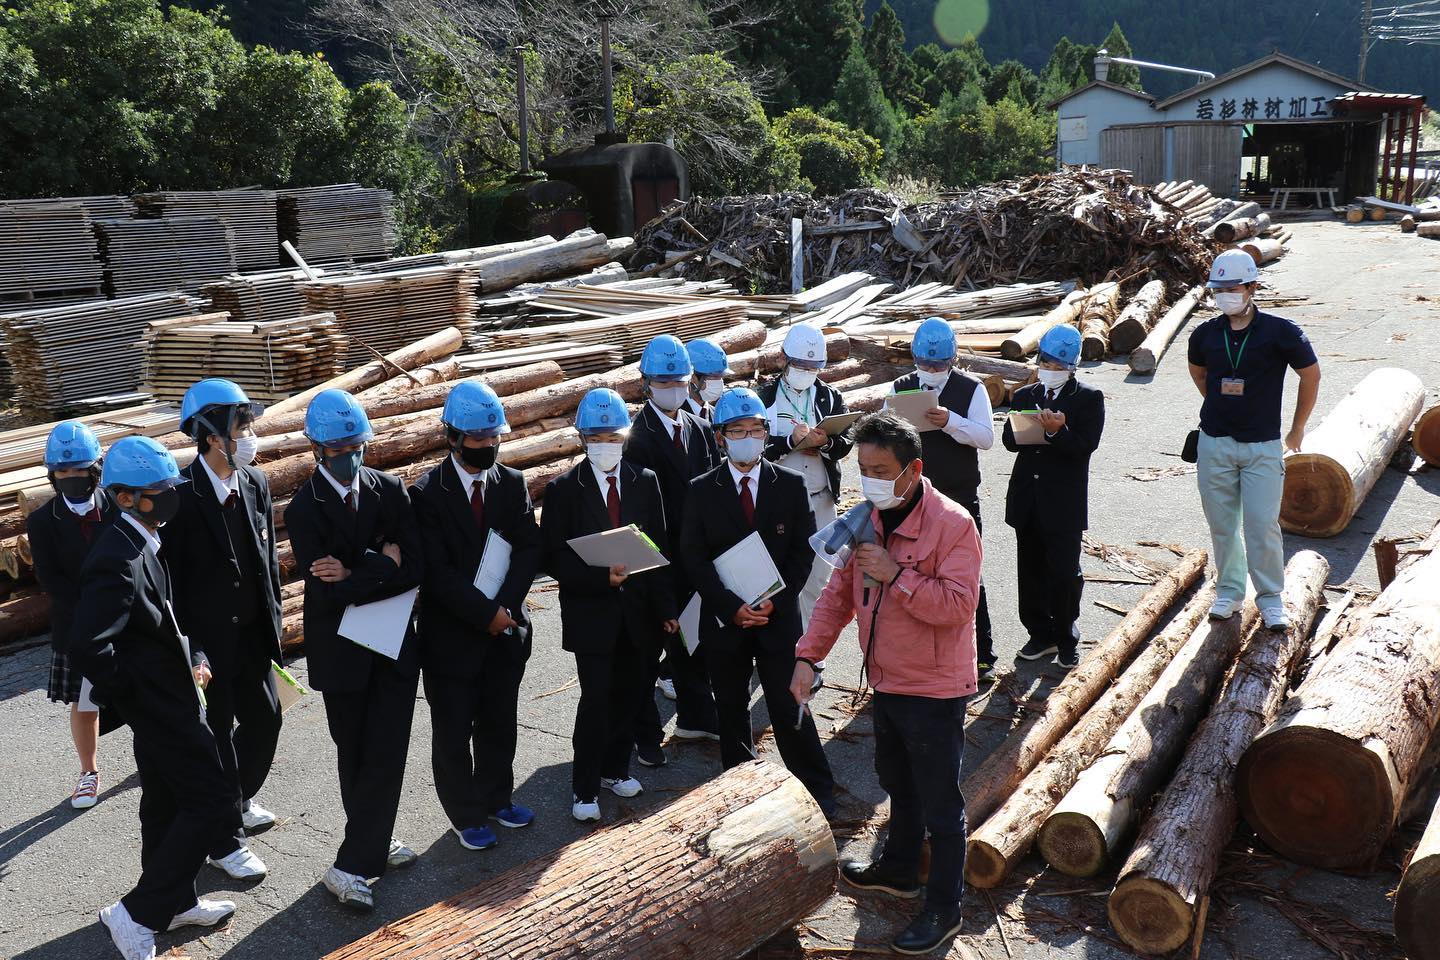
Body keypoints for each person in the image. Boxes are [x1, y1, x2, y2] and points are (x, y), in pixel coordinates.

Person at [791, 411, 982, 956]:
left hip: (935, 687)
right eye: (862, 469)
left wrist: (898, 576)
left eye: (880, 470)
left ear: (912, 469)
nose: (869, 480)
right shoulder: (866, 517)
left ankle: (945, 906)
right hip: (887, 678)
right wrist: (808, 657)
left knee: (941, 804)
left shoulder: (952, 524)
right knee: (897, 780)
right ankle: (898, 869)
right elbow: (837, 597)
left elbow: (958, 607)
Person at [69, 436, 236, 960]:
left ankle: (175, 902)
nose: (169, 496)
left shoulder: (143, 538)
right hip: (162, 709)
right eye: (157, 490)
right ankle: (138, 913)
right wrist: (142, 698)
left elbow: (159, 623)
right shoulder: (116, 556)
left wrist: (192, 659)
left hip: (173, 697)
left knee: (165, 805)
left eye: (170, 486)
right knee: (211, 800)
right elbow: (88, 645)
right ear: (124, 497)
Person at [283, 389, 424, 911]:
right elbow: (330, 589)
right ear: (317, 450)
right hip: (341, 651)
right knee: (357, 753)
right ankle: (371, 839)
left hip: (391, 643)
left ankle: (354, 862)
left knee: (387, 750)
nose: (351, 455)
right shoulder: (304, 508)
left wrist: (361, 569)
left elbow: (417, 563)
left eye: (357, 445)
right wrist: (382, 565)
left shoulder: (389, 489)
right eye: (339, 447)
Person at [681, 387, 837, 817]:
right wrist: (729, 606)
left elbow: (803, 551)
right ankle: (739, 791)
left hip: (777, 617)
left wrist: (776, 600)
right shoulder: (700, 490)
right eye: (737, 430)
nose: (747, 437)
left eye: (755, 429)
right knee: (730, 709)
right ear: (720, 438)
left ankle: (817, 789)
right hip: (725, 620)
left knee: (790, 705)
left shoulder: (789, 483)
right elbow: (693, 557)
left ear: (766, 434)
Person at [411, 382, 541, 851]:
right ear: (452, 437)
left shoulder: (512, 484)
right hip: (453, 635)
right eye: (478, 439)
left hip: (505, 629)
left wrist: (505, 608)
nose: (488, 446)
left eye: (493, 438)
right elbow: (437, 573)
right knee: (453, 727)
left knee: (499, 720)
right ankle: (465, 814)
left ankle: (497, 797)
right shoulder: (427, 493)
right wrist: (483, 613)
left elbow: (528, 547)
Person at [163, 379, 281, 883]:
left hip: (253, 635)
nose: (250, 435)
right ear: (213, 435)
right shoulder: (180, 497)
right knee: (217, 739)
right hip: (209, 645)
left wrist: (274, 623)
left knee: (268, 720)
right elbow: (171, 583)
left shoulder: (254, 482)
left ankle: (238, 797)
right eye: (242, 426)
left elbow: (267, 558)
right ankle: (224, 841)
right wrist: (192, 651)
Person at [541, 388, 678, 823]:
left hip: (640, 613)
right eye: (596, 436)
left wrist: (667, 607)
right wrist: (602, 577)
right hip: (592, 614)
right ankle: (584, 786)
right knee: (596, 699)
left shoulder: (646, 480)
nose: (606, 444)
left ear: (626, 437)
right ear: (582, 438)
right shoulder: (564, 489)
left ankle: (615, 768)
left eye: (613, 436)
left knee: (632, 694)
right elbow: (554, 557)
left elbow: (657, 546)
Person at [1188, 248, 1320, 630]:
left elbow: (1310, 375)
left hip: (1262, 446)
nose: (1225, 294)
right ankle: (1229, 590)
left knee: (1262, 524)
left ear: (1252, 287)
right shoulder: (1205, 335)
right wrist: (1222, 404)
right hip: (1215, 442)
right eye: (1219, 288)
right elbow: (1199, 375)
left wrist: (1297, 428)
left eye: (1233, 287)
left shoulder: (1281, 332)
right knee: (1222, 523)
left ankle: (1270, 597)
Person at [624, 334, 721, 758]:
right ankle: (642, 739)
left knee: (694, 643)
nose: (674, 390)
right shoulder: (637, 437)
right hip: (658, 559)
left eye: (680, 382)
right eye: (665, 383)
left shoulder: (698, 428)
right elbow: (637, 510)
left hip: (696, 554)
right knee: (646, 656)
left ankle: (697, 718)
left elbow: (712, 487)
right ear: (646, 384)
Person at [890, 317, 997, 679]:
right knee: (914, 574)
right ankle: (920, 657)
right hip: (914, 499)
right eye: (925, 364)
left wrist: (950, 421)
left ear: (952, 360)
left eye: (938, 365)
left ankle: (982, 655)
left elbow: (985, 437)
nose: (931, 370)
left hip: (959, 495)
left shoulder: (971, 389)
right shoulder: (902, 387)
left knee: (965, 578)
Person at [1001, 325, 1104, 670]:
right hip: (1027, 497)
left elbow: (1084, 447)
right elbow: (1010, 442)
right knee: (1029, 570)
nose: (1051, 369)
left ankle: (1065, 636)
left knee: (1063, 572)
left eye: (1059, 365)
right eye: (1046, 361)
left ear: (1072, 367)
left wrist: (1057, 432)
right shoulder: (1024, 395)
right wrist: (1025, 427)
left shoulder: (1089, 398)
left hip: (1063, 501)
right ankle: (1038, 634)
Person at [29, 421, 118, 810]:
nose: (71, 477)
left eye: (79, 469)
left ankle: (157, 756)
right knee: (84, 703)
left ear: (96, 468)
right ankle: (88, 771)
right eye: (62, 471)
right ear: (52, 475)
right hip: (78, 624)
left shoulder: (119, 504)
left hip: (128, 614)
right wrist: (91, 615)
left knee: (149, 689)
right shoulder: (42, 521)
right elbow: (51, 579)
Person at [757, 324, 854, 633]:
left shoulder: (829, 396)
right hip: (775, 500)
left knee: (819, 578)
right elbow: (749, 447)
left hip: (820, 498)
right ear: (784, 358)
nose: (807, 371)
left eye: (814, 367)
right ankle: (773, 643)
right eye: (801, 365)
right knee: (774, 573)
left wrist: (824, 443)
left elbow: (847, 439)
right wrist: (788, 442)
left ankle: (811, 653)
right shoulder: (763, 397)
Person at [684, 336, 731, 421]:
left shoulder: (718, 416)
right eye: (713, 377)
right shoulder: (675, 415)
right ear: (692, 378)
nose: (719, 382)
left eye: (721, 377)